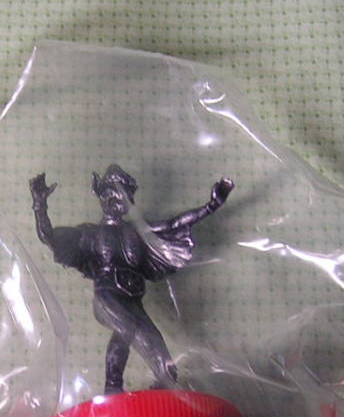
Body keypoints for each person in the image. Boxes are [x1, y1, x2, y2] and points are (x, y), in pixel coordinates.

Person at [30, 163, 232, 393]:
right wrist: (39, 204)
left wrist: (211, 206)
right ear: (103, 196)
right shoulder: (91, 234)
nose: (117, 200)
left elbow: (173, 223)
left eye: (122, 195)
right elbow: (48, 236)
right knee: (126, 329)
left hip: (133, 300)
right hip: (107, 297)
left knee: (165, 367)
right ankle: (113, 386)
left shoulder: (137, 232)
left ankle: (159, 397)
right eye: (112, 194)